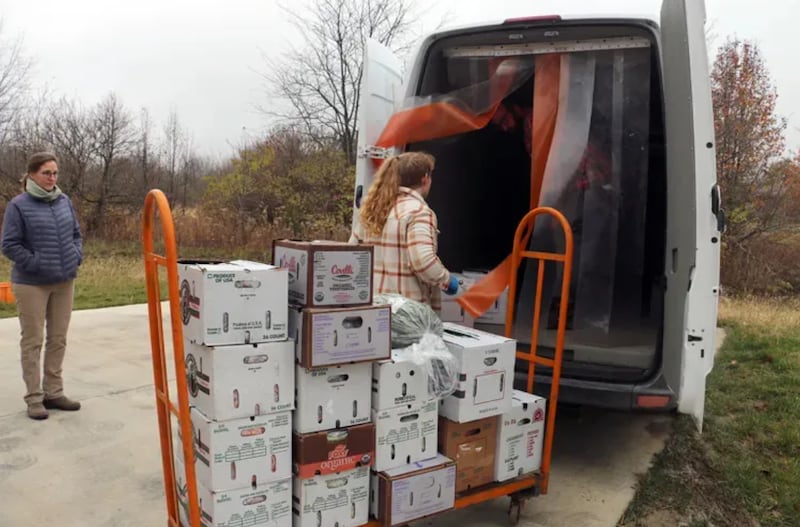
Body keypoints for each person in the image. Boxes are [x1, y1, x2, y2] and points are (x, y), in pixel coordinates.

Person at [1, 152, 83, 420]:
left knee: (58, 339)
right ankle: (34, 398)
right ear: (32, 174)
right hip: (31, 284)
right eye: (47, 173)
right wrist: (38, 262)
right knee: (33, 341)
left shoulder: (64, 201)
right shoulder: (19, 205)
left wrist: (75, 256)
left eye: (55, 173)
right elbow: (9, 245)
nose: (52, 178)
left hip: (64, 281)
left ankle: (54, 392)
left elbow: (75, 234)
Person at [350, 151, 459, 310]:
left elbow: (352, 255)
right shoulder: (419, 212)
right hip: (407, 314)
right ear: (425, 178)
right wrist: (447, 280)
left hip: (372, 310)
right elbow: (424, 263)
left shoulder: (372, 210)